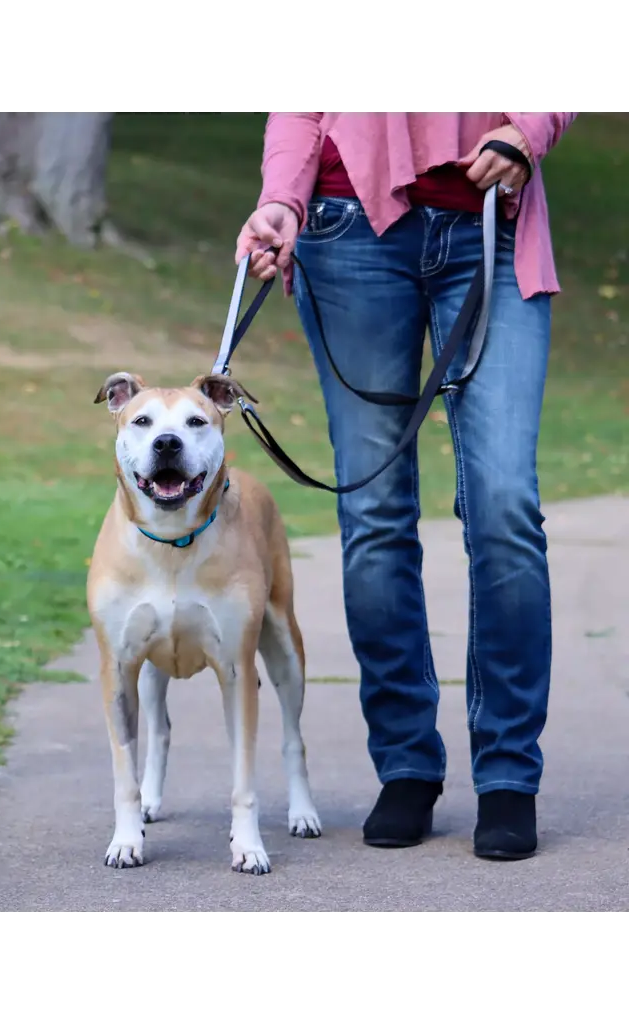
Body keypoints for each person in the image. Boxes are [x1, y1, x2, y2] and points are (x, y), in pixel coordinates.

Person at [235, 112, 578, 860]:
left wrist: (530, 131)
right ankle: (406, 765)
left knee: (505, 504)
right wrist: (281, 199)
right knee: (374, 510)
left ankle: (510, 775)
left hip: (490, 220)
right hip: (346, 228)